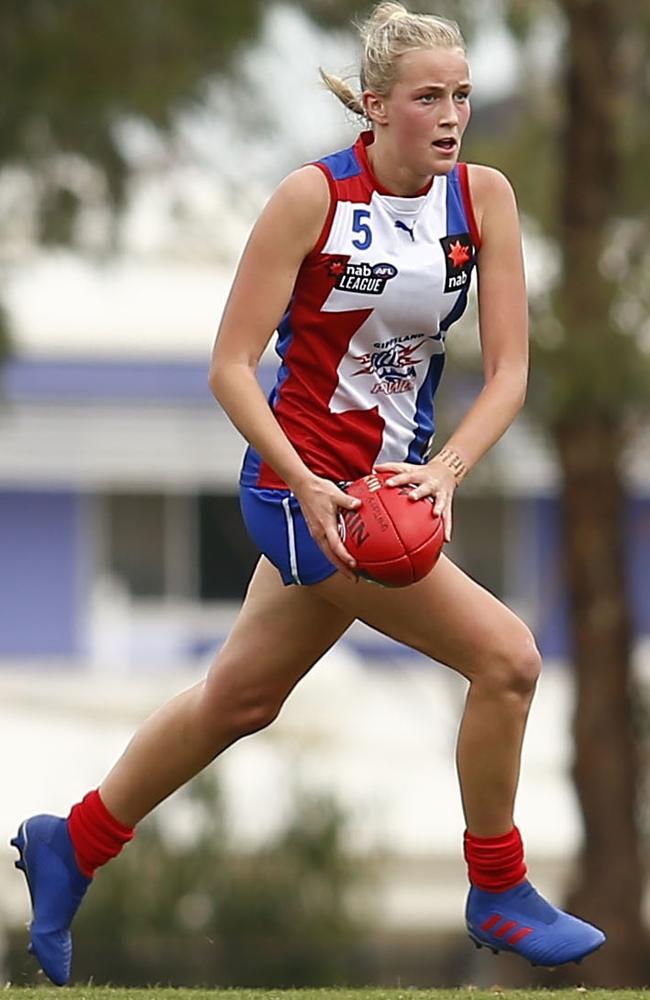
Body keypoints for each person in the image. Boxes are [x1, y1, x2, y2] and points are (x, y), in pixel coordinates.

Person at [12, 1, 605, 986]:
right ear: (374, 107)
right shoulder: (311, 199)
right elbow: (230, 368)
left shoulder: (484, 200)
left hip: (386, 493)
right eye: (428, 97)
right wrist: (307, 483)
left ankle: (72, 839)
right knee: (507, 660)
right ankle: (495, 889)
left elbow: (506, 375)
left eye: (460, 94)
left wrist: (447, 471)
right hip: (299, 493)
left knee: (238, 699)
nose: (450, 114)